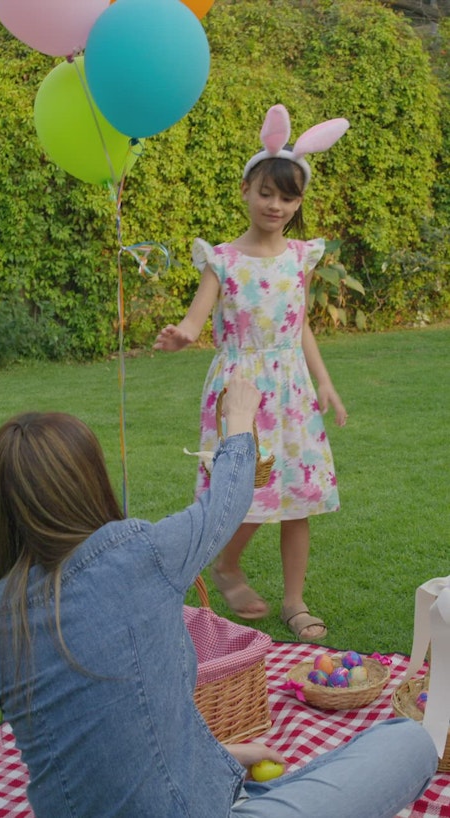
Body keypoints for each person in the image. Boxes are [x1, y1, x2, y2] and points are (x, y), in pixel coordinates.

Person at [0, 372, 438, 818]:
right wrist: (240, 418)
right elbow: (226, 501)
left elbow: (109, 736)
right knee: (409, 742)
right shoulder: (138, 554)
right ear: (88, 483)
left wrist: (221, 756)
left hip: (190, 790)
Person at [154, 104, 349, 640]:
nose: (276, 204)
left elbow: (300, 324)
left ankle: (294, 600)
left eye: (288, 196)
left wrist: (325, 380)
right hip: (241, 390)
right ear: (245, 190)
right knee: (247, 490)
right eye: (267, 192)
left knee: (297, 498)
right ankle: (227, 564)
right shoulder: (222, 260)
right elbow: (196, 322)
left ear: (299, 201)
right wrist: (180, 337)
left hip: (293, 389)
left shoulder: (301, 258)